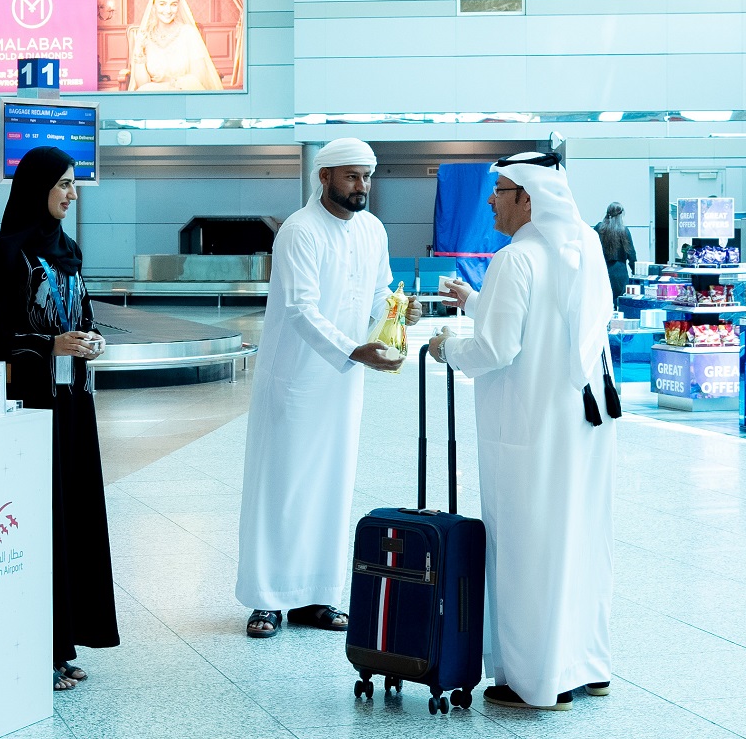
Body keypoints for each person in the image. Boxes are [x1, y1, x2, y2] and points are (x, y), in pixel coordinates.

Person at [431, 151, 616, 710]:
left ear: (527, 199)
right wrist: (478, 300)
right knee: (579, 539)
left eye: (501, 189)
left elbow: (495, 348)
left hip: (529, 431)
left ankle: (535, 679)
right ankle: (585, 664)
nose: (491, 199)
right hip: (583, 426)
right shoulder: (582, 244)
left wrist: (447, 348)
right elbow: (549, 323)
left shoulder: (516, 257)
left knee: (528, 546)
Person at [237, 137, 411, 638]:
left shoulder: (373, 230)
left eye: (367, 177)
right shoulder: (300, 230)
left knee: (332, 487)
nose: (363, 187)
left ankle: (316, 597)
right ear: (325, 177)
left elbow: (380, 293)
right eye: (353, 176)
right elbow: (300, 309)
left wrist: (394, 319)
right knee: (282, 488)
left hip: (343, 385)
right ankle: (266, 599)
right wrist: (354, 350)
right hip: (295, 383)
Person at [0, 146, 118, 691]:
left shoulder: (69, 251)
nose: (72, 195)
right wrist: (47, 345)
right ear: (38, 189)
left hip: (73, 408)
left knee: (71, 520)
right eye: (65, 186)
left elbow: (83, 315)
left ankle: (64, 641)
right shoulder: (6, 254)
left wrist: (91, 340)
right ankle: (35, 647)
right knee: (37, 526)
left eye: (73, 186)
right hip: (28, 413)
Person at [126, 0, 224, 92]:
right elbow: (143, 85)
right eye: (162, 4)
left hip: (184, 94)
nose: (168, 10)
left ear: (179, 6)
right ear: (153, 6)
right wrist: (139, 51)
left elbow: (199, 77)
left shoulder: (188, 33)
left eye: (173, 4)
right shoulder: (144, 36)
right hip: (154, 97)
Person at [596, 202, 635, 300]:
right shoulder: (624, 231)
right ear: (621, 214)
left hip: (602, 271)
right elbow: (632, 254)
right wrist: (635, 270)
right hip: (620, 273)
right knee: (619, 304)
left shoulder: (598, 228)